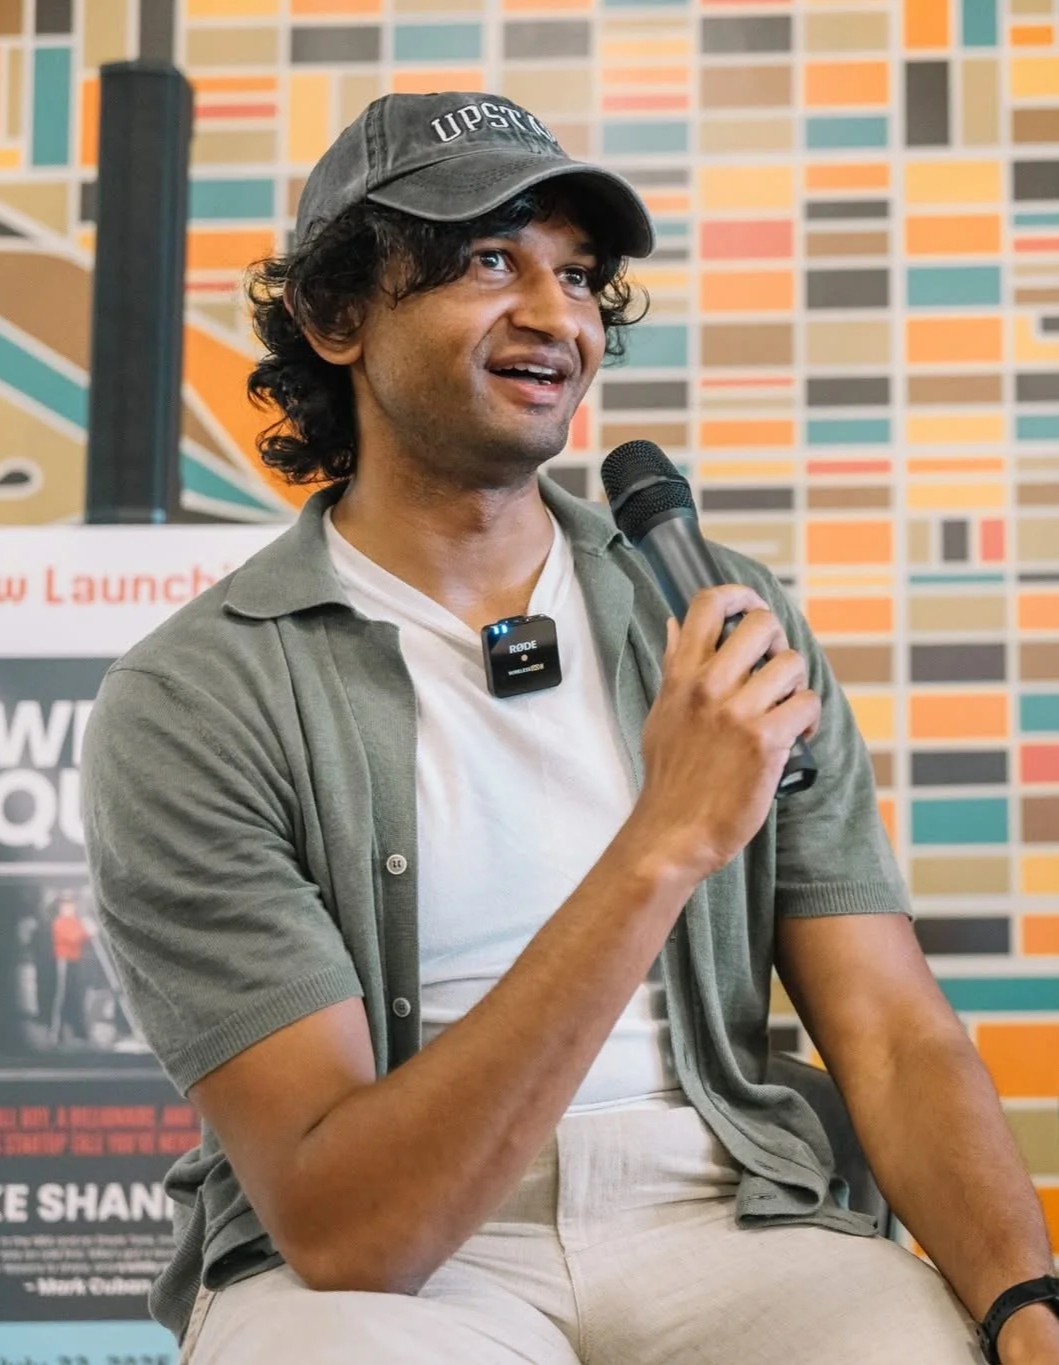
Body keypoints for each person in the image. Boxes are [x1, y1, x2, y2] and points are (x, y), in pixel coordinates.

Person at [82, 92, 1059, 1365]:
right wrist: (663, 841)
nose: (558, 318)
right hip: (390, 1266)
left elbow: (890, 1025)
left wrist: (1023, 1302)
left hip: (726, 1206)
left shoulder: (719, 617)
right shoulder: (197, 699)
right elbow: (351, 1229)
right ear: (334, 318)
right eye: (490, 260)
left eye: (581, 275)